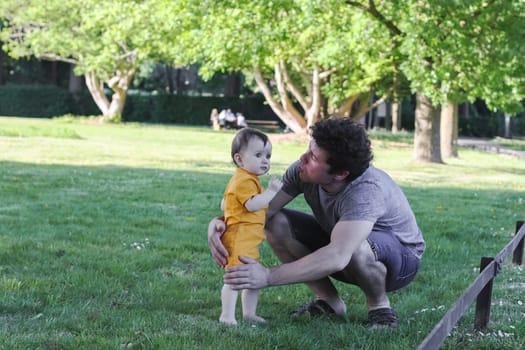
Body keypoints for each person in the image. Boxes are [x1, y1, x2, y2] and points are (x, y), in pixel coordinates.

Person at [208, 117, 425, 328]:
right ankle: (329, 302)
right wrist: (221, 225)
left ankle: (379, 308)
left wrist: (267, 276)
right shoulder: (301, 171)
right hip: (342, 248)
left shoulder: (366, 191)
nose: (302, 158)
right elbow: (263, 212)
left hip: (399, 260)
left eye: (313, 157)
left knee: (356, 246)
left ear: (340, 174)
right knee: (275, 222)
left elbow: (339, 254)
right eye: (308, 149)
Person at [218, 128, 283, 325]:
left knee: (252, 278)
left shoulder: (246, 179)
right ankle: (227, 316)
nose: (265, 161)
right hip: (239, 238)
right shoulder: (244, 180)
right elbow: (252, 204)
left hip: (248, 239)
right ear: (239, 159)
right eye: (258, 155)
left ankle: (249, 313)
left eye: (268, 156)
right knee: (235, 279)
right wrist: (271, 192)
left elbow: (224, 204)